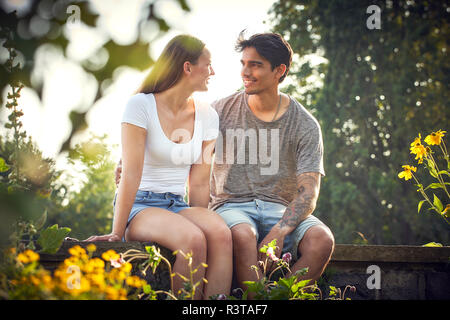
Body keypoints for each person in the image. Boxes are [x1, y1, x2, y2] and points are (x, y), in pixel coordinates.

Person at [86, 34, 233, 300]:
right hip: (141, 206)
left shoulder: (209, 115)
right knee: (193, 240)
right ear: (187, 67)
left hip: (177, 205)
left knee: (220, 234)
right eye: (208, 64)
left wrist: (202, 222)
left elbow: (199, 182)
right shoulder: (140, 105)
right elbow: (131, 172)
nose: (213, 71)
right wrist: (117, 232)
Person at [209, 32, 335, 293]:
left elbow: (308, 193)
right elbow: (177, 144)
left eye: (255, 65)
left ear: (280, 70)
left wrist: (279, 232)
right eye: (243, 63)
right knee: (244, 235)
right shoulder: (219, 110)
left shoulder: (305, 124)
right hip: (231, 206)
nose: (246, 71)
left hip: (282, 210)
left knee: (322, 239)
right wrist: (128, 162)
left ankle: (278, 297)